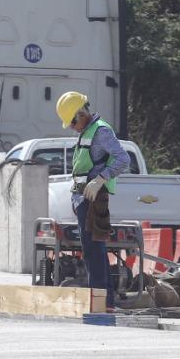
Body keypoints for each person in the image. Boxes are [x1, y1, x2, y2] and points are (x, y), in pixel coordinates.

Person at [56, 91, 130, 307]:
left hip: (93, 198)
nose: (71, 126)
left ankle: (101, 301)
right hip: (84, 198)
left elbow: (122, 158)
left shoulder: (101, 131)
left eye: (71, 121)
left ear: (82, 113)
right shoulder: (88, 131)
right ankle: (103, 300)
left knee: (93, 250)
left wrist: (100, 179)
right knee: (93, 249)